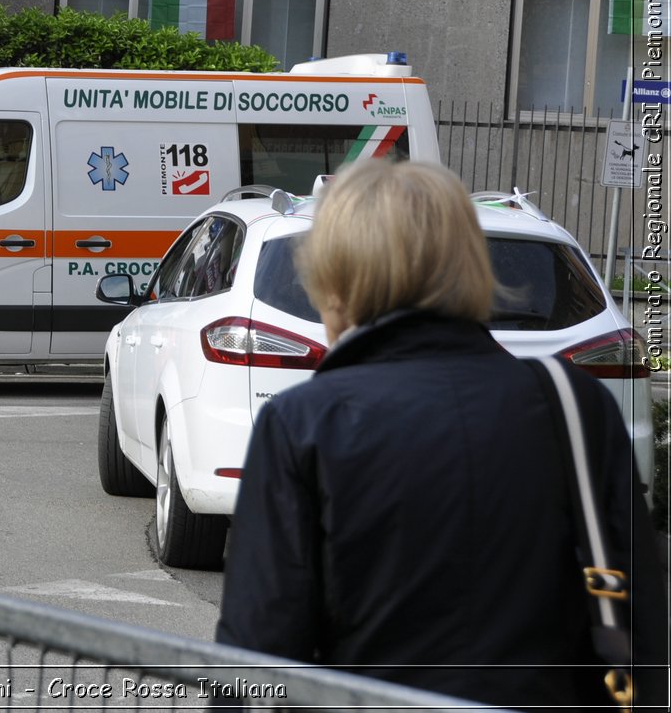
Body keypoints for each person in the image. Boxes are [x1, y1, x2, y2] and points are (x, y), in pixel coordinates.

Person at [215, 159, 666, 712]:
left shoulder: (303, 422)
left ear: (338, 285)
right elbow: (641, 621)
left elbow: (257, 656)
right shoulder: (575, 406)